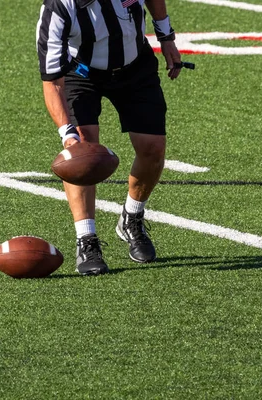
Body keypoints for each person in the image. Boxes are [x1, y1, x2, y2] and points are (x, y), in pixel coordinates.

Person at [36, 0, 183, 276]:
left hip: (135, 65)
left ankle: (132, 217)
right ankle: (86, 239)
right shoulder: (59, 6)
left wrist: (165, 37)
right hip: (81, 72)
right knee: (82, 151)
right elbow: (53, 82)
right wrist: (67, 135)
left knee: (153, 147)